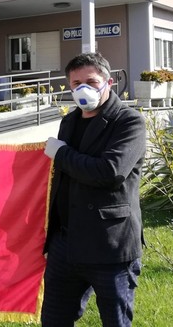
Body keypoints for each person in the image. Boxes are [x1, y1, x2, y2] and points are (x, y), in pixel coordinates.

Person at [41, 52, 145, 327]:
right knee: (53, 320)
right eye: (75, 83)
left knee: (116, 322)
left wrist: (61, 154)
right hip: (66, 245)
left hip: (110, 247)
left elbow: (110, 172)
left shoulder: (129, 121)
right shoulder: (70, 121)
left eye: (91, 80)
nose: (82, 88)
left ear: (108, 82)